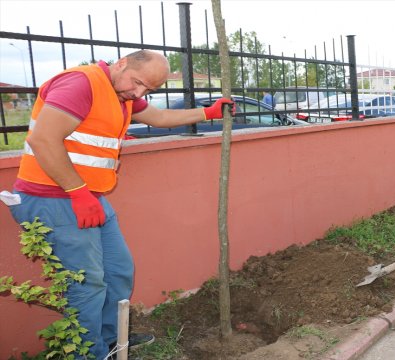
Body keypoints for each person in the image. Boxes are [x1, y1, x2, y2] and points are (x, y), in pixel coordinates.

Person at [5, 50, 234, 359]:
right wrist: (78, 192)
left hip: (85, 197)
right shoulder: (81, 84)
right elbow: (43, 139)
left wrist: (208, 113)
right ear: (122, 63)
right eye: (138, 83)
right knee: (86, 285)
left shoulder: (121, 93)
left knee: (118, 271)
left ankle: (112, 339)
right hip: (53, 199)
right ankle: (90, 354)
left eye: (148, 90)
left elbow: (160, 117)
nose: (138, 93)